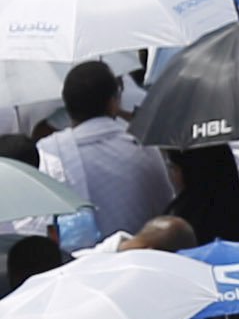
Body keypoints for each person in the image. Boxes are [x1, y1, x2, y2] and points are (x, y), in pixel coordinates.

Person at [40, 60, 170, 247]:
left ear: (67, 106)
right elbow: (165, 208)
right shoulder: (143, 145)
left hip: (79, 268)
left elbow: (42, 224)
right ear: (113, 102)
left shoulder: (50, 152)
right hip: (142, 259)